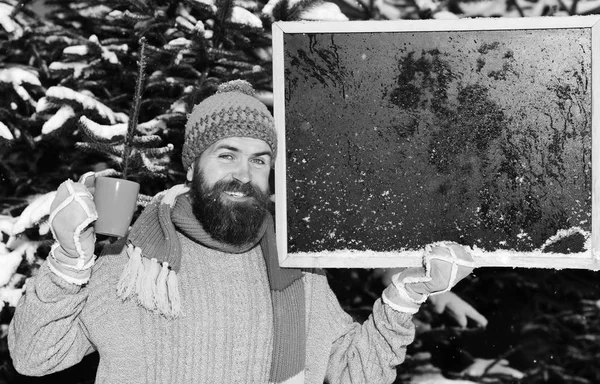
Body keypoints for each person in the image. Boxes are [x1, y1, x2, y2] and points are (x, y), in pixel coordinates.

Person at [8, 80, 476, 384]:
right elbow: (34, 356)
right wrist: (69, 261)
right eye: (226, 154)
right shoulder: (128, 263)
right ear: (192, 165)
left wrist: (403, 298)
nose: (243, 173)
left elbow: (354, 371)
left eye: (259, 160)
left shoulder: (294, 271)